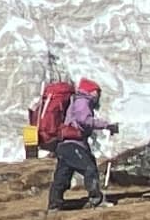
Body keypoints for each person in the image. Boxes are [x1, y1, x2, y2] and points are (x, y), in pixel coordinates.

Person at [45, 77, 113, 210]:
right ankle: (96, 200)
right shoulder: (83, 101)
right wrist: (106, 125)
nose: (98, 97)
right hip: (73, 144)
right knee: (89, 168)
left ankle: (54, 204)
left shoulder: (75, 100)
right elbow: (84, 120)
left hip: (64, 145)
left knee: (62, 176)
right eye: (98, 93)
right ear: (92, 92)